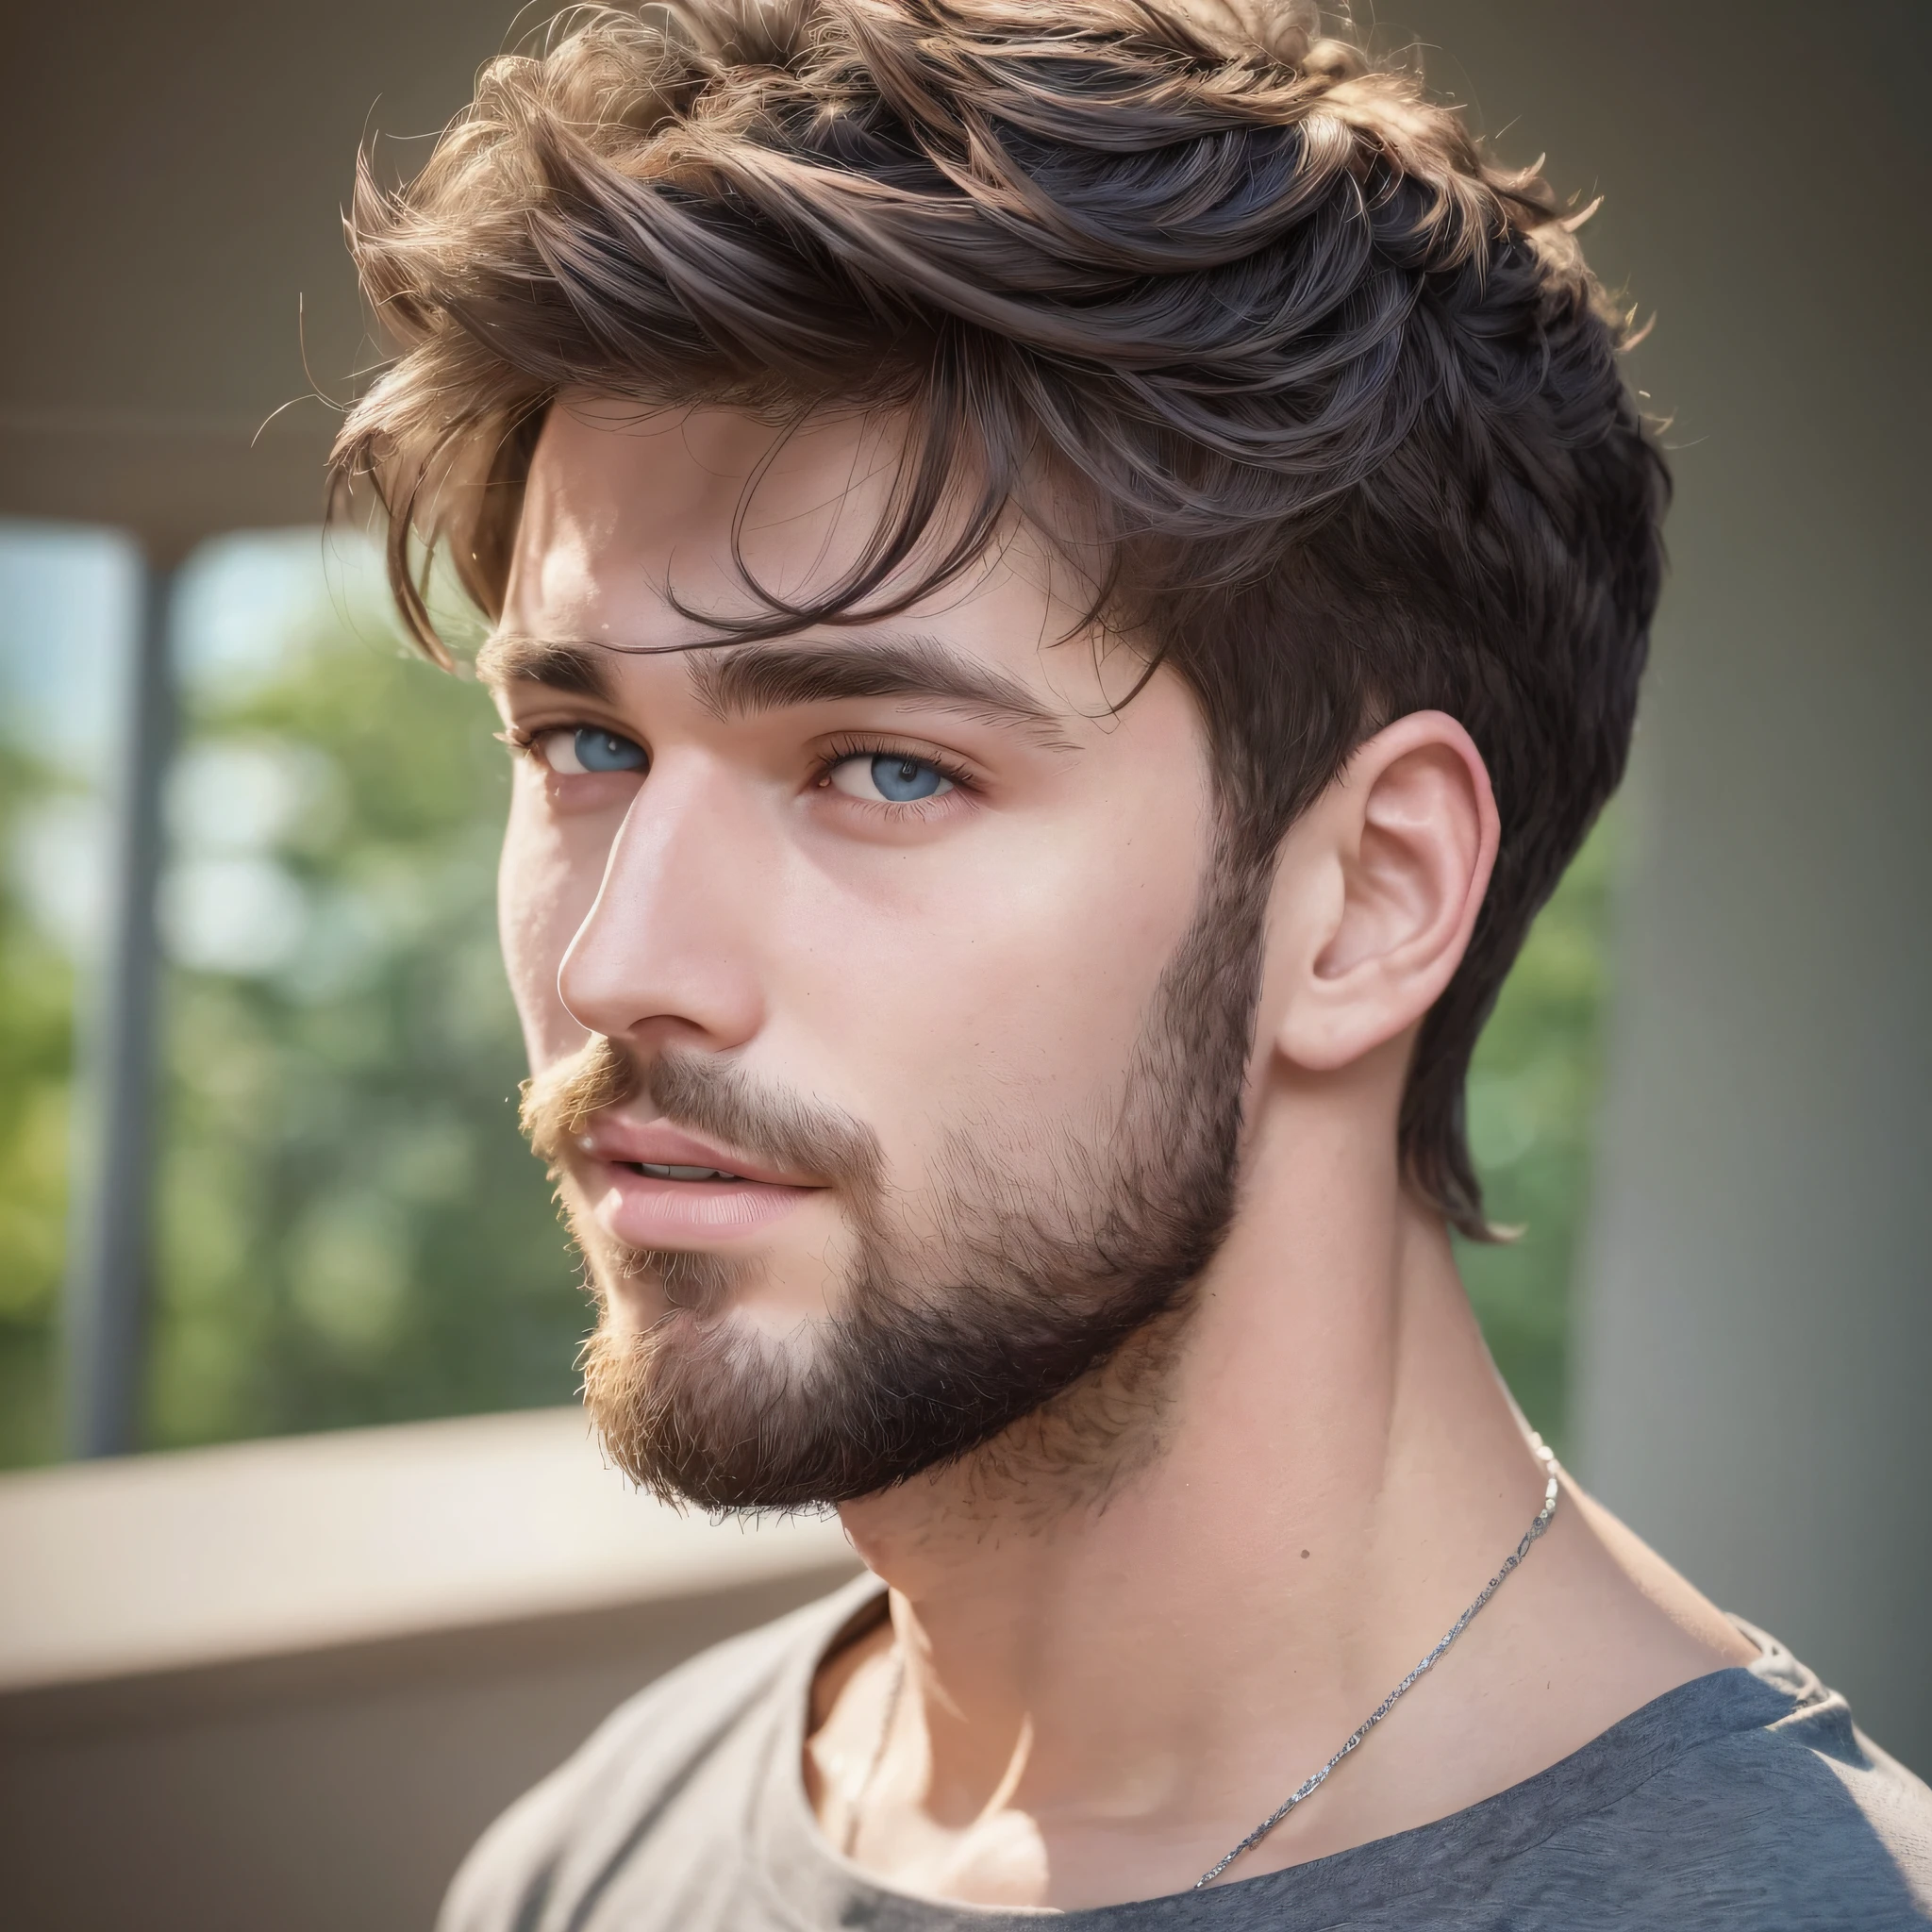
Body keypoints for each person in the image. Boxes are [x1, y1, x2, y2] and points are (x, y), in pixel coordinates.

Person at [331, 0, 1932, 1923]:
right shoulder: (586, 1862)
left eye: (884, 766)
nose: (617, 965)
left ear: (1369, 895)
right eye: (584, 745)